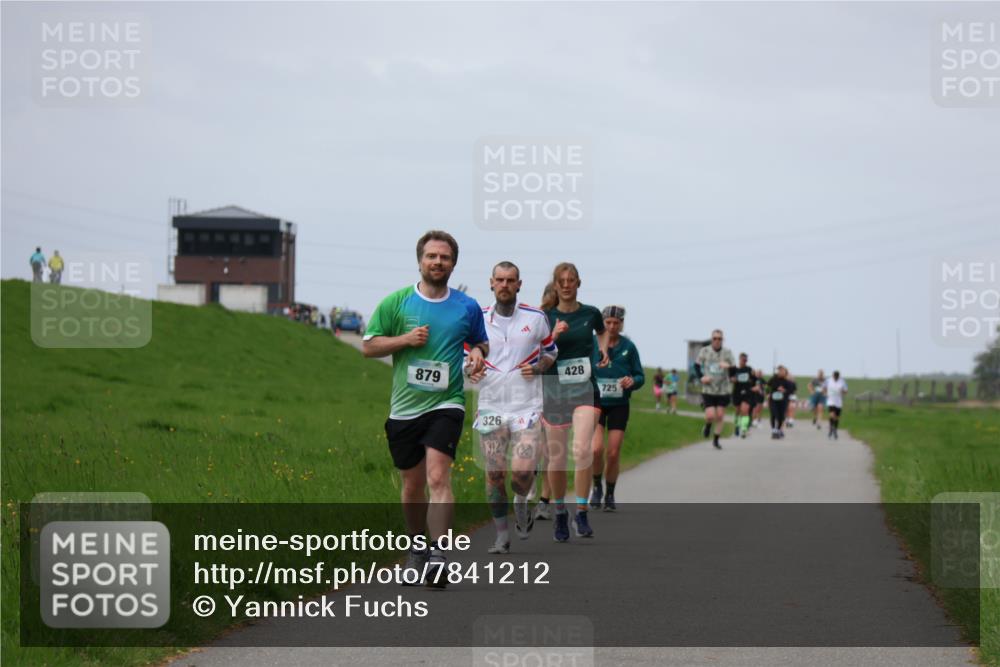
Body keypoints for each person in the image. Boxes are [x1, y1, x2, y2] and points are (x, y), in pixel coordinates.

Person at [362, 230, 488, 588]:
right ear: (420, 260)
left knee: (437, 477)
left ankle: (438, 555)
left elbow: (481, 343)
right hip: (404, 408)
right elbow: (369, 346)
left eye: (444, 257)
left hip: (447, 403)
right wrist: (405, 339)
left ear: (453, 264)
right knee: (412, 485)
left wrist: (478, 355)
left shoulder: (466, 306)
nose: (437, 262)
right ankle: (417, 548)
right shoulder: (397, 302)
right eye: (432, 256)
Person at [467, 261, 557, 554]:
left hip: (526, 407)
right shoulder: (477, 319)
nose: (505, 285)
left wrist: (540, 366)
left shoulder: (537, 317)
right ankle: (502, 536)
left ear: (519, 284)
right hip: (491, 406)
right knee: (494, 474)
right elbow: (464, 358)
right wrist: (470, 370)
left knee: (521, 472)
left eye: (510, 280)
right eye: (500, 280)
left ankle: (521, 500)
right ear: (491, 283)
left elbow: (551, 352)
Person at [542, 263, 610, 542]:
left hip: (584, 389)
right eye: (562, 281)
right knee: (556, 457)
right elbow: (534, 350)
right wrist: (553, 337)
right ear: (555, 285)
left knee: (582, 449)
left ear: (579, 283)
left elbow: (602, 331)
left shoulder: (591, 313)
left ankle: (581, 512)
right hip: (554, 390)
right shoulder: (545, 316)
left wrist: (603, 349)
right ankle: (559, 511)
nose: (567, 285)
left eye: (571, 280)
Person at [590, 306, 644, 512]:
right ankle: (597, 487)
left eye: (616, 323)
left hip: (619, 405)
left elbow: (640, 375)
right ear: (602, 323)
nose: (612, 326)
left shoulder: (629, 347)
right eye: (608, 322)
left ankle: (610, 493)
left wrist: (632, 381)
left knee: (613, 453)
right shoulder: (592, 344)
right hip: (595, 402)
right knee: (596, 449)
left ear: (622, 324)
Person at [694, 330, 735, 449]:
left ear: (723, 340)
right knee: (710, 416)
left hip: (723, 389)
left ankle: (716, 440)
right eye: (715, 338)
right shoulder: (705, 351)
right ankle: (707, 426)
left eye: (719, 338)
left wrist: (728, 366)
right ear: (711, 339)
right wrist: (702, 377)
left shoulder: (727, 352)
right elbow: (696, 366)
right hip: (709, 389)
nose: (717, 341)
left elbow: (734, 371)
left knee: (720, 415)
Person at [730, 353, 756, 439]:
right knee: (738, 410)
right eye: (742, 359)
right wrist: (733, 379)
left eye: (745, 360)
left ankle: (744, 429)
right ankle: (737, 425)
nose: (744, 361)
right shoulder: (735, 369)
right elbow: (730, 378)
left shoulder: (749, 369)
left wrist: (754, 384)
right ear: (739, 359)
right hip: (737, 392)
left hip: (747, 392)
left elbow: (754, 380)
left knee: (745, 410)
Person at [767, 366, 795, 439]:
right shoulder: (773, 380)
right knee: (774, 414)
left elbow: (791, 391)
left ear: (785, 373)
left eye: (782, 371)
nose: (781, 372)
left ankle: (779, 429)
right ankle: (774, 430)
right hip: (773, 400)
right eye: (779, 371)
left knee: (781, 416)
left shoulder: (788, 382)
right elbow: (767, 386)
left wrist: (785, 391)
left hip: (783, 401)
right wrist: (767, 393)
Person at [825, 370, 849, 440]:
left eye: (837, 377)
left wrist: (843, 391)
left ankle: (835, 430)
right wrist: (825, 393)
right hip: (831, 400)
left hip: (838, 401)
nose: (835, 378)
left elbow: (846, 391)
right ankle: (831, 428)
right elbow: (824, 387)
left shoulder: (842, 381)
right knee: (832, 415)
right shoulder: (828, 380)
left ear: (838, 376)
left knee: (837, 417)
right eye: (834, 376)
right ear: (833, 375)